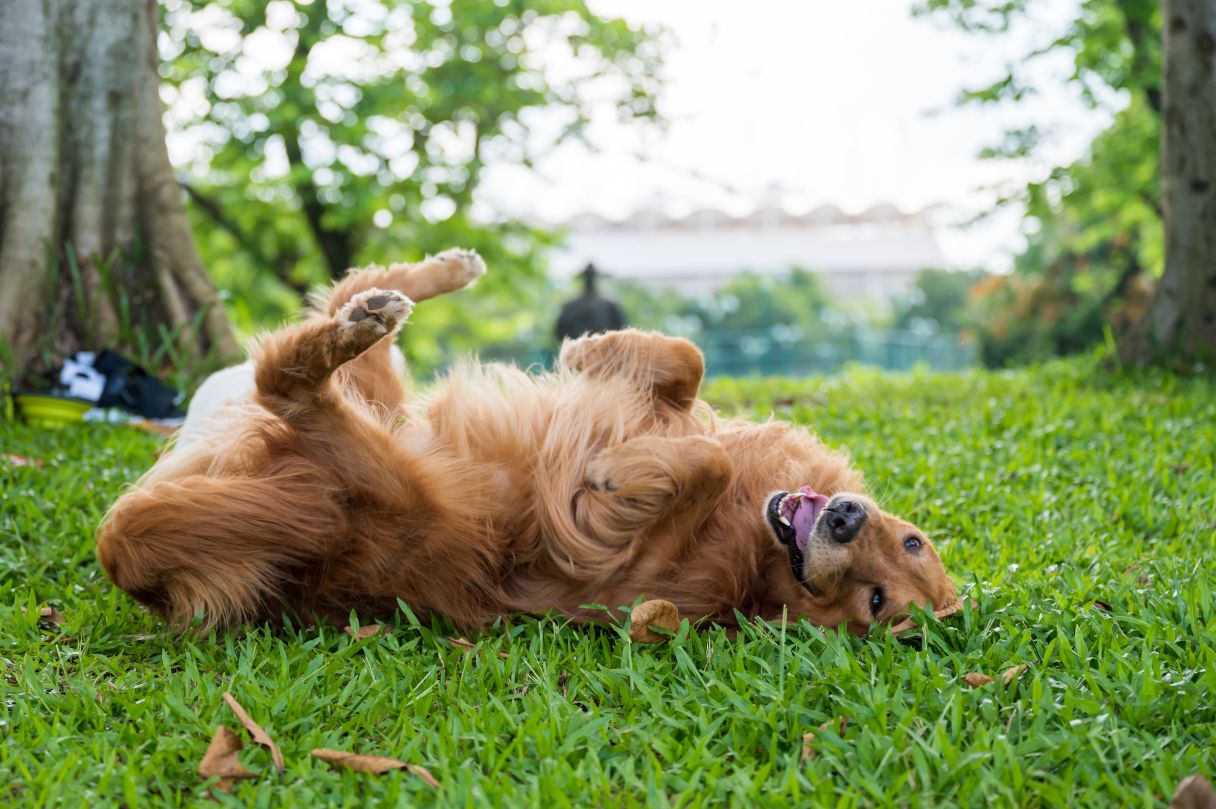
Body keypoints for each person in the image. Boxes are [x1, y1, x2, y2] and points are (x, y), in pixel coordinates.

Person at [555, 264, 627, 343]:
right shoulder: (610, 304)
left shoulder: (570, 305)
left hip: (596, 351)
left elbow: (559, 333)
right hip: (582, 351)